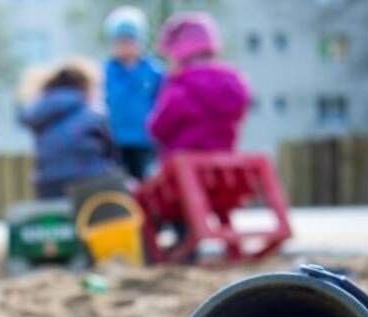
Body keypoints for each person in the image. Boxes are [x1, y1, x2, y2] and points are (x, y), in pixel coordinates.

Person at [147, 12, 250, 164]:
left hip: (183, 169)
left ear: (178, 54)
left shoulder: (181, 88)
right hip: (220, 166)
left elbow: (158, 127)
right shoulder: (233, 84)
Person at [19, 62, 117, 199]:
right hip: (89, 181)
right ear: (85, 87)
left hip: (47, 182)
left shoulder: (40, 112)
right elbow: (110, 153)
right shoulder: (93, 115)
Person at [103, 6, 164, 180]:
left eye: (130, 41)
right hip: (116, 141)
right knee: (121, 184)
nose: (125, 46)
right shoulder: (106, 72)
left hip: (146, 141)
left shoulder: (154, 71)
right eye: (120, 41)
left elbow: (163, 103)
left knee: (146, 181)